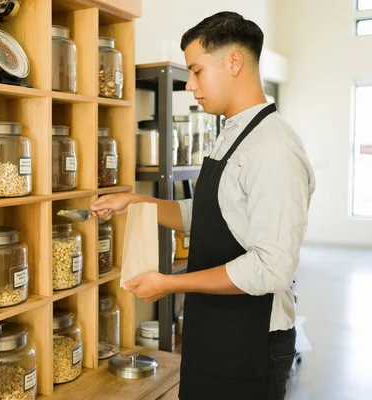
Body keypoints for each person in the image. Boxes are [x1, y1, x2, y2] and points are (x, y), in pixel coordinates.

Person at [91, 11, 315, 400]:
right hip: (213, 330)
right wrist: (138, 202)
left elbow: (272, 268)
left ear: (233, 62)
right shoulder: (232, 132)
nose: (191, 85)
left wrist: (170, 284)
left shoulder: (274, 149)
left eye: (196, 71)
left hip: (249, 344)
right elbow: (208, 215)